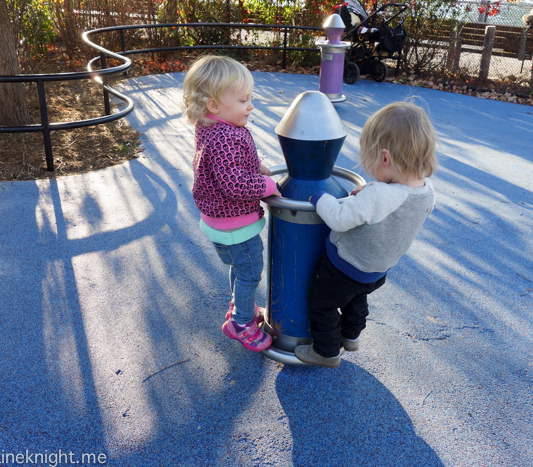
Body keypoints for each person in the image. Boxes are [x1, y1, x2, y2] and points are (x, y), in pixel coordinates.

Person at [295, 102, 437, 368]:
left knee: (322, 303)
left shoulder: (379, 195)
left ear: (385, 159)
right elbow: (396, 205)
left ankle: (325, 352)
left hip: (344, 266)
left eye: (369, 159)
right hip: (377, 271)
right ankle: (350, 336)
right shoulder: (427, 191)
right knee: (356, 298)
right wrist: (370, 196)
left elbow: (339, 219)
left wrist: (319, 197)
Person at [182, 55, 281, 352]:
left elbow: (228, 165)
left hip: (215, 221)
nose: (250, 106)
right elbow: (234, 183)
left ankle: (240, 305)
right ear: (214, 104)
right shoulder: (227, 136)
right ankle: (241, 323)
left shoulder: (210, 126)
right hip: (236, 225)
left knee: (238, 269)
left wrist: (257, 164)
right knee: (250, 271)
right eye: (243, 100)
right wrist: (268, 185)